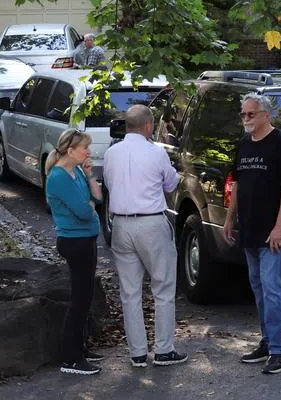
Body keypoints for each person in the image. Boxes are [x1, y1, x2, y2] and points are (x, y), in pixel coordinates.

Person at [102, 104, 187, 368]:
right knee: (162, 287)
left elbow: (108, 183)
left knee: (129, 292)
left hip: (120, 224)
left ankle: (137, 353)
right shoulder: (156, 153)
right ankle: (163, 350)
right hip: (151, 222)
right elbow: (171, 184)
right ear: (149, 125)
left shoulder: (111, 153)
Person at [223, 93, 281, 375]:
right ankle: (267, 341)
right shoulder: (242, 144)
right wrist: (230, 218)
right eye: (243, 114)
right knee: (258, 287)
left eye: (250, 114)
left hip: (271, 233)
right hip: (249, 230)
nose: (245, 119)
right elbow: (237, 185)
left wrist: (280, 226)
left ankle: (279, 350)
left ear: (266, 115)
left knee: (272, 288)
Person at [44, 128, 104, 376]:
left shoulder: (77, 170)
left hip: (86, 238)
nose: (89, 152)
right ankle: (70, 357)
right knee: (79, 300)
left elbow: (97, 198)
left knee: (86, 297)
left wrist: (90, 176)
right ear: (70, 150)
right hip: (74, 241)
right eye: (84, 148)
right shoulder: (58, 176)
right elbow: (83, 210)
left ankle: (80, 347)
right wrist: (90, 205)